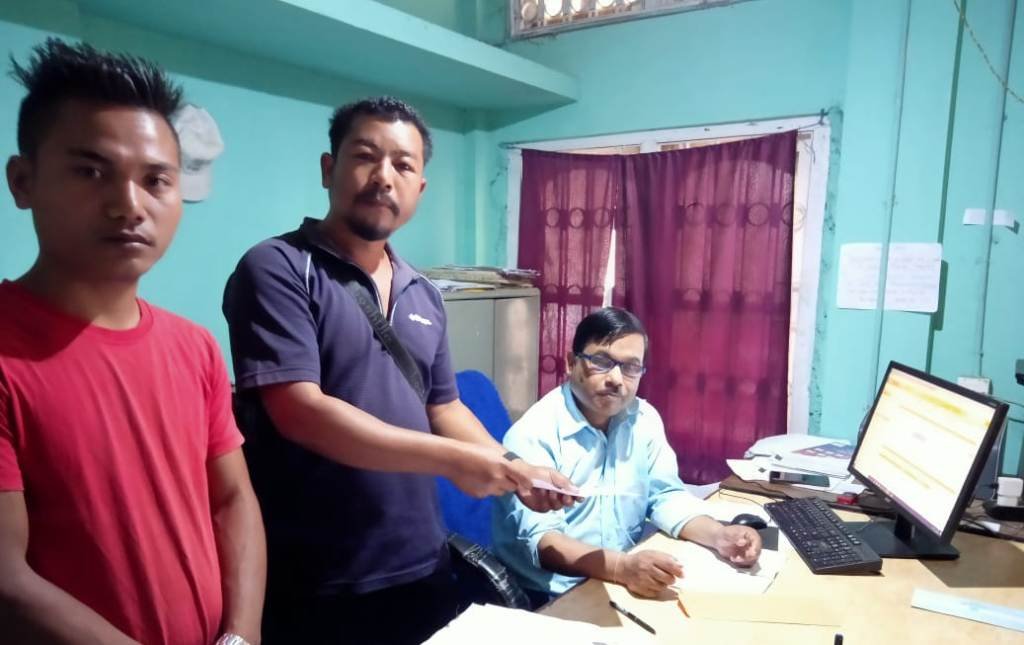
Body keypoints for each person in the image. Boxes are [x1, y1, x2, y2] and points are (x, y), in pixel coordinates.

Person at [222, 96, 575, 645]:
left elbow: (444, 406)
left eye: (403, 165)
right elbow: (300, 411)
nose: (384, 177)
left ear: (419, 188)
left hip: (422, 562)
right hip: (320, 575)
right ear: (328, 168)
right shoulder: (278, 268)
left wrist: (514, 469)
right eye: (365, 156)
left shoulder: (423, 291)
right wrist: (456, 460)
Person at [0, 39, 266, 645]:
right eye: (91, 171)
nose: (129, 205)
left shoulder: (194, 347)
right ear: (23, 181)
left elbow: (232, 500)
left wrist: (239, 636)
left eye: (155, 180)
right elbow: (7, 580)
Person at [492, 307, 762, 601]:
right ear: (571, 363)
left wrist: (720, 536)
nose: (616, 379)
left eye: (631, 367)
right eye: (601, 362)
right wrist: (621, 568)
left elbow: (665, 496)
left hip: (619, 579)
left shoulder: (643, 419)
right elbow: (545, 542)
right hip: (552, 594)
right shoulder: (533, 433)